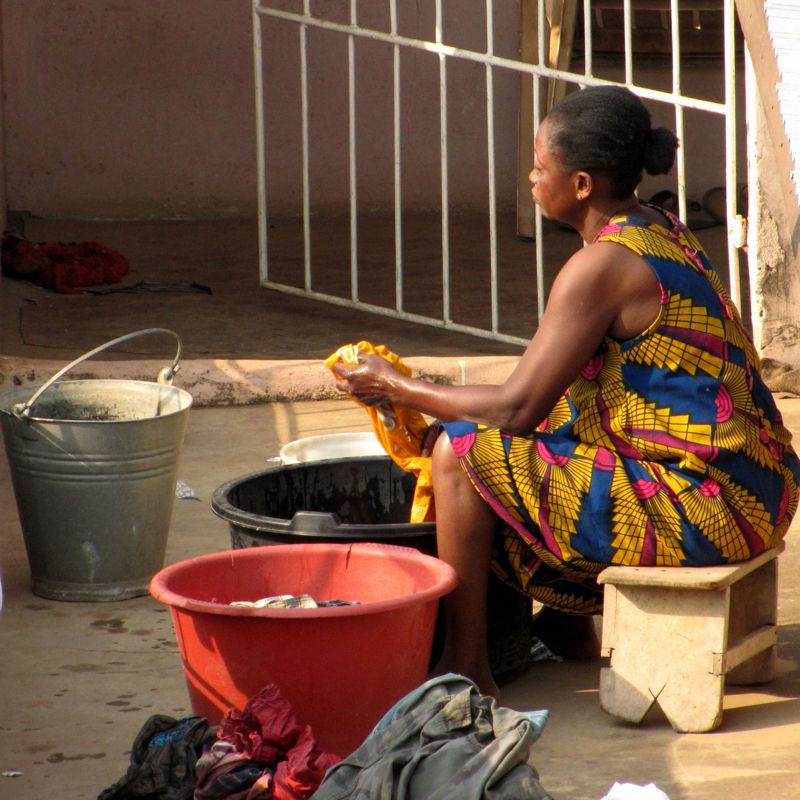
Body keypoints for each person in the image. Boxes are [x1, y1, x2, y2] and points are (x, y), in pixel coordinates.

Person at [332, 85, 800, 700]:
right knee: (570, 412)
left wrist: (399, 386)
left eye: (540, 166)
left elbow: (513, 406)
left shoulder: (601, 266)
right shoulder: (661, 228)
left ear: (581, 185)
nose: (531, 177)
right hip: (763, 486)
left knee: (458, 454)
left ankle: (465, 662)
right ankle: (566, 623)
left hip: (709, 509)